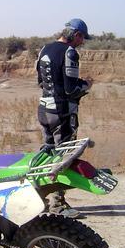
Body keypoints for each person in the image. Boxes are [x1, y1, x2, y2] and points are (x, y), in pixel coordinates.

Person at [36, 18, 93, 218]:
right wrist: (86, 85)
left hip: (44, 109)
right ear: (76, 35)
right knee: (65, 157)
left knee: (48, 154)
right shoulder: (70, 53)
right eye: (82, 38)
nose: (82, 42)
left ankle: (37, 199)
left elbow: (41, 82)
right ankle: (58, 205)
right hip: (62, 113)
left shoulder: (44, 49)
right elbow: (70, 89)